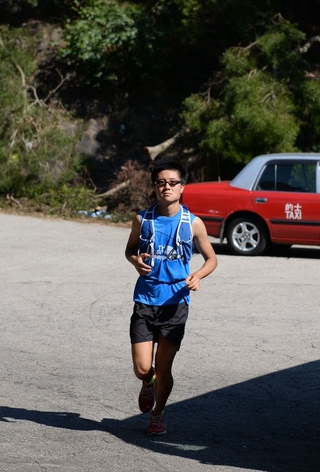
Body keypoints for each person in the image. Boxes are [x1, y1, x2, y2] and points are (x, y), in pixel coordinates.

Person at [124, 158, 218, 436]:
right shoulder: (142, 220)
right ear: (155, 187)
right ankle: (148, 382)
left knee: (164, 367)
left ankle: (158, 412)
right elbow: (130, 250)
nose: (167, 187)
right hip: (145, 299)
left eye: (173, 182)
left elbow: (212, 259)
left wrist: (198, 276)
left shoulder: (193, 223)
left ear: (182, 187)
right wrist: (135, 261)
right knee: (142, 368)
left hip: (175, 304)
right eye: (161, 183)